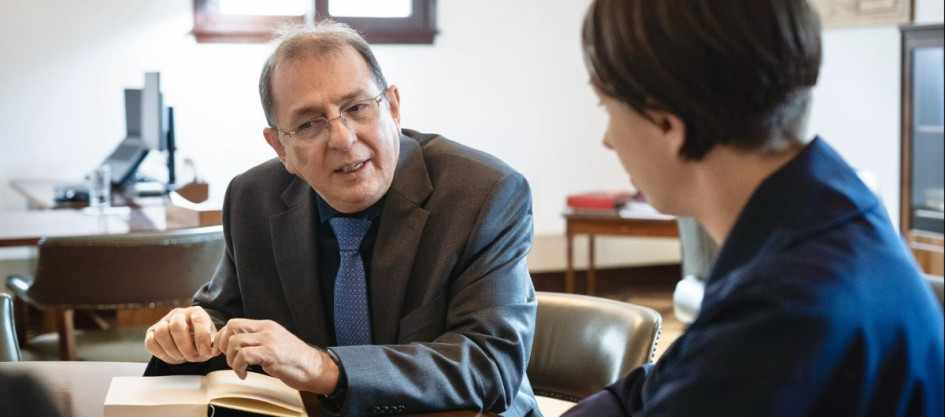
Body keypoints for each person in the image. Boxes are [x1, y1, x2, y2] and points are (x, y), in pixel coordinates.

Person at [566, 0, 945, 416]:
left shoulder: (782, 312)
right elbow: (649, 391)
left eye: (607, 109)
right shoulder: (832, 204)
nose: (608, 139)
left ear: (666, 125)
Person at [143, 20, 540, 416]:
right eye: (310, 124)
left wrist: (322, 367)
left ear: (394, 108)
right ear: (281, 146)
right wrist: (189, 333)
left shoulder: (484, 194)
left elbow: (490, 365)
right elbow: (223, 314)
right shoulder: (253, 199)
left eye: (357, 107)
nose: (343, 138)